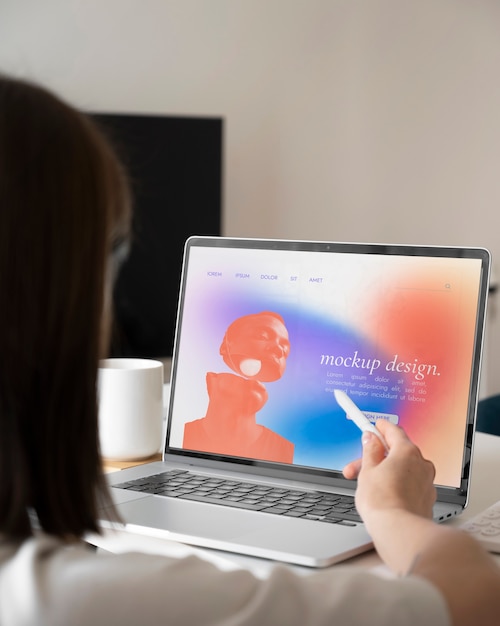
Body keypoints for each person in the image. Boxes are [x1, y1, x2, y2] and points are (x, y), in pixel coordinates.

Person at [0, 73, 499, 626]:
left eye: (283, 344)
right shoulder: (68, 599)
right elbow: (475, 594)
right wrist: (392, 511)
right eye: (111, 254)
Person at [183, 311, 294, 461]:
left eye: (285, 349)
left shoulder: (282, 449)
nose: (279, 350)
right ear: (210, 381)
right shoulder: (184, 434)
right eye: (263, 336)